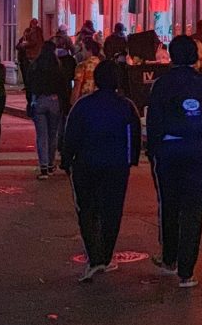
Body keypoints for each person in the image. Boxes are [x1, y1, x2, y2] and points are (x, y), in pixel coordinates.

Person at [146, 34, 202, 288]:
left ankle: (170, 257)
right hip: (201, 150)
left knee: (169, 204)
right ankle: (187, 271)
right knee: (193, 210)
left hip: (169, 150)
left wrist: (154, 150)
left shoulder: (161, 84)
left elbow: (153, 122)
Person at [61, 61, 142, 282]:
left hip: (86, 164)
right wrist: (131, 160)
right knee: (112, 211)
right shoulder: (126, 106)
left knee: (87, 209)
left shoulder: (83, 106)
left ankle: (95, 256)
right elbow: (134, 137)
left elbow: (71, 135)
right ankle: (104, 255)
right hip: (116, 165)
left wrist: (66, 160)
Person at [27, 41, 65, 180]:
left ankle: (43, 166)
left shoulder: (35, 66)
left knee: (42, 135)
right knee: (52, 134)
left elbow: (29, 85)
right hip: (54, 100)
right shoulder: (57, 67)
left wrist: (30, 101)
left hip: (40, 100)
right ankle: (50, 164)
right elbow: (62, 86)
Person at [71, 39, 102, 106]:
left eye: (83, 49)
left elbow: (77, 86)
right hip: (99, 101)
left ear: (90, 51)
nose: (81, 52)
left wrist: (73, 105)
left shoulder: (82, 65)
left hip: (85, 101)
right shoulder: (102, 65)